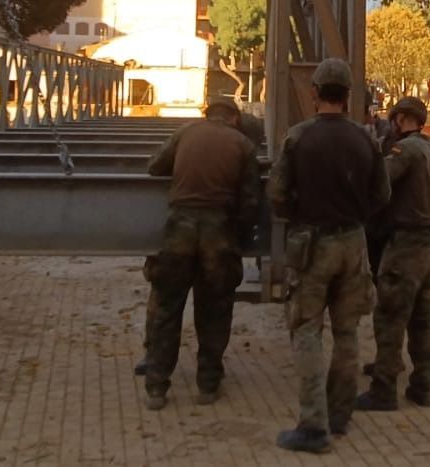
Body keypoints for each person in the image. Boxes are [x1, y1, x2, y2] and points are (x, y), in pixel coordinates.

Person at [269, 57, 390, 454]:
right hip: (353, 245)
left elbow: (278, 195)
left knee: (306, 329)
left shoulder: (298, 137)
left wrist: (299, 216)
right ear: (349, 96)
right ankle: (340, 416)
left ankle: (313, 427)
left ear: (315, 92)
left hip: (311, 245)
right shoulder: (366, 140)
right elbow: (382, 196)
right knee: (348, 331)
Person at [138, 96, 262, 410]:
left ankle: (156, 386)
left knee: (167, 307)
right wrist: (241, 239)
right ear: (234, 117)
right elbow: (250, 202)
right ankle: (207, 384)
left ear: (207, 115)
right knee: (214, 309)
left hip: (179, 229)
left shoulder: (185, 133)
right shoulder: (243, 145)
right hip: (219, 234)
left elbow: (155, 166)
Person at [358, 96, 430, 411]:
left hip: (406, 242)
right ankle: (422, 386)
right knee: (422, 316)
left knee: (390, 315)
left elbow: (379, 182)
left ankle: (383, 390)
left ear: (399, 119)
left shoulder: (404, 150)